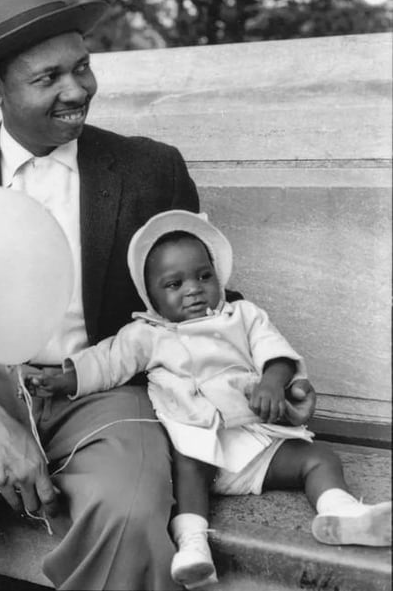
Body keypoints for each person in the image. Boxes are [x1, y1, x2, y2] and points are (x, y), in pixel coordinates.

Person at [0, 0, 316, 590]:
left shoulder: (149, 170)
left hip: (108, 388)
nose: (77, 89)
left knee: (129, 517)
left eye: (82, 67)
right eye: (48, 78)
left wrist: (272, 376)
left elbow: (198, 299)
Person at [26, 209, 392, 590]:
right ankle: (193, 546)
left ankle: (341, 512)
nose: (193, 289)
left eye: (204, 276)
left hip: (255, 444)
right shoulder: (147, 334)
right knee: (185, 468)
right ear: (150, 296)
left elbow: (276, 354)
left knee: (319, 458)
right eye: (174, 284)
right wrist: (68, 379)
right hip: (199, 445)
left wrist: (271, 382)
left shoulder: (243, 315)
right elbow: (108, 361)